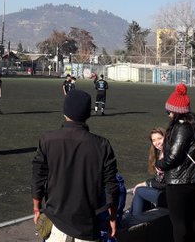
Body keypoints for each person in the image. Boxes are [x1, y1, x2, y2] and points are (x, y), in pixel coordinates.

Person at [32, 89, 120, 242]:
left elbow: (38, 177)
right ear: (88, 114)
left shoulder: (47, 140)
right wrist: (112, 216)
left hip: (56, 221)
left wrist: (36, 207)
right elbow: (111, 187)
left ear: (65, 111)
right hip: (87, 224)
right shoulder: (102, 145)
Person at [155, 83, 195, 242]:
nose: (168, 115)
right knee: (190, 218)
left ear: (175, 111)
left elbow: (174, 157)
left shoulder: (182, 128)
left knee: (179, 222)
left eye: (169, 111)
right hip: (192, 180)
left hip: (179, 182)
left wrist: (159, 165)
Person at [128, 127, 167, 217]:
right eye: (154, 140)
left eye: (160, 138)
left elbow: (165, 182)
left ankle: (135, 220)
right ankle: (132, 215)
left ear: (166, 137)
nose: (157, 143)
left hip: (170, 196)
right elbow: (159, 179)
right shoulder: (159, 153)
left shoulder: (169, 155)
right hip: (165, 192)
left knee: (139, 190)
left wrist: (147, 183)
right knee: (140, 191)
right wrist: (146, 183)